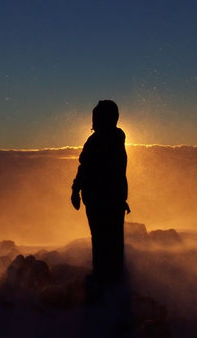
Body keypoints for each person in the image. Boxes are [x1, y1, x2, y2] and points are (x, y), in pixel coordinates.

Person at [71, 100, 130, 284]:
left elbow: (90, 169)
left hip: (102, 202)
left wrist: (76, 190)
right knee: (109, 242)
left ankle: (105, 282)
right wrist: (76, 190)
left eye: (97, 117)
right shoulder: (112, 138)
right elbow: (86, 168)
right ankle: (111, 282)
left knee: (103, 241)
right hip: (108, 201)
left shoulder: (101, 141)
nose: (94, 121)